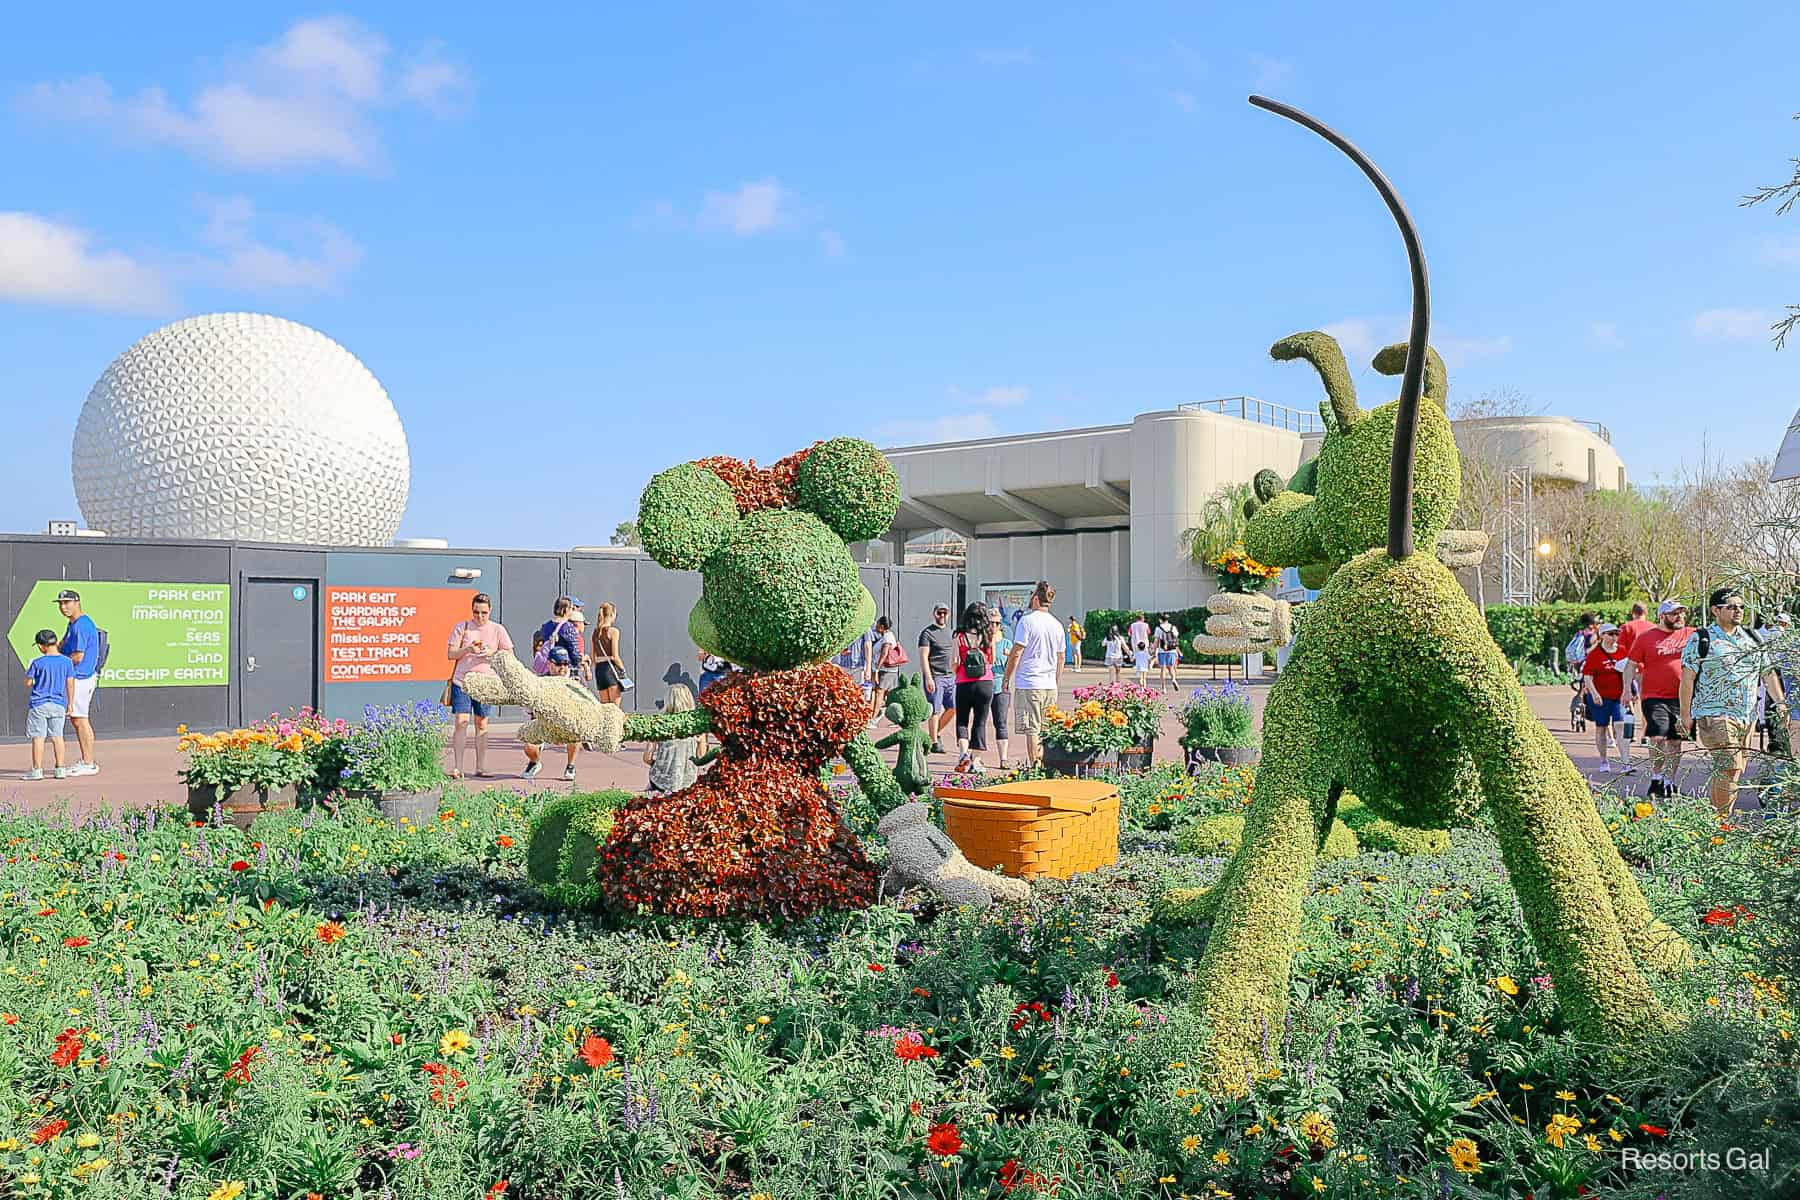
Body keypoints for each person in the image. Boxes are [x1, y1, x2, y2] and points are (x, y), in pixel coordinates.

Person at [1682, 588, 1787, 821]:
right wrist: (1685, 714)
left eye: (1741, 606)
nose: (1738, 610)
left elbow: (1768, 673)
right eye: (1731, 606)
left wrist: (1780, 702)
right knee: (1730, 766)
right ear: (1715, 610)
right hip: (1713, 714)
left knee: (1734, 770)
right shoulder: (1702, 638)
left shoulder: (1753, 637)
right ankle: (1722, 823)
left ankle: (1719, 818)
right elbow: (1687, 678)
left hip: (1746, 716)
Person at [1622, 599, 1694, 800]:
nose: (1679, 617)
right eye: (1674, 613)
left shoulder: (1691, 635)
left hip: (1682, 697)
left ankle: (1669, 782)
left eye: (1681, 613)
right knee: (1657, 737)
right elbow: (1630, 665)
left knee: (1675, 742)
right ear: (1662, 616)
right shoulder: (1646, 638)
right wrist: (1626, 690)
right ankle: (1656, 776)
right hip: (1654, 696)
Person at [446, 593, 513, 779]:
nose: (480, 616)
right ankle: (458, 767)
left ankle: (480, 766)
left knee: (481, 723)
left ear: (490, 610)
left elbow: (508, 654)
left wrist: (491, 652)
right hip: (463, 681)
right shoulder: (463, 627)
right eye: (476, 612)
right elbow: (450, 654)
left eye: (483, 612)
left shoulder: (498, 629)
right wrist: (468, 649)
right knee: (461, 722)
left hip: (485, 682)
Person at [1002, 581, 1066, 767]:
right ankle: (1045, 764)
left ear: (1036, 599)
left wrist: (1007, 678)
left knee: (1032, 728)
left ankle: (1035, 766)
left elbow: (1017, 652)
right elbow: (1060, 658)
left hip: (1030, 682)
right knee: (1046, 727)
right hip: (1049, 685)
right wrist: (1055, 680)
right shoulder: (1057, 625)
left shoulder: (1027, 621)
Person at [56, 589, 101, 776]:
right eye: (60, 603)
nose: (63, 606)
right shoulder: (73, 624)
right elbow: (63, 646)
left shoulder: (81, 625)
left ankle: (89, 763)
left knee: (80, 719)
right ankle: (86, 761)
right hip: (78, 677)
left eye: (67, 602)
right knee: (77, 719)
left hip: (81, 677)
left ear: (77, 603)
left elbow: (77, 657)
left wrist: (56, 662)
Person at [522, 647, 582, 782]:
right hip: (543, 723)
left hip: (567, 723)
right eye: (559, 664)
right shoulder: (540, 682)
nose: (563, 667)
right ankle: (534, 762)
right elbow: (530, 708)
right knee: (529, 747)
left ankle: (570, 766)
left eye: (566, 664)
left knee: (577, 731)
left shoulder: (575, 681)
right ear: (549, 663)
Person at [1580, 623, 1632, 775]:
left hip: (1619, 697)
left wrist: (1629, 690)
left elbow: (1629, 671)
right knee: (1601, 728)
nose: (1614, 637)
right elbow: (1588, 676)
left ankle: (1626, 762)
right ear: (1602, 635)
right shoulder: (1595, 654)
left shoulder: (1622, 651)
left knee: (1620, 726)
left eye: (1616, 634)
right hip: (1600, 698)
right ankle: (1604, 760)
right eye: (1611, 634)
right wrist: (1595, 694)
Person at [22, 629, 72, 781]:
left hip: (39, 704)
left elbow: (28, 683)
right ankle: (60, 769)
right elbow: (70, 682)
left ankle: (37, 770)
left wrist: (29, 674)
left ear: (41, 646)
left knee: (38, 738)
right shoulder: (67, 662)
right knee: (58, 737)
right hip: (58, 704)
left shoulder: (37, 662)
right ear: (55, 642)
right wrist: (70, 704)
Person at [952, 603, 995, 774]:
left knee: (962, 720)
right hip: (985, 683)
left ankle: (963, 755)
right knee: (980, 721)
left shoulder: (959, 637)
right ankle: (976, 761)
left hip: (963, 682)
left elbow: (954, 663)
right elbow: (991, 660)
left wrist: (959, 670)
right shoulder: (989, 636)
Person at [644, 684, 701, 794]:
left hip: (661, 780)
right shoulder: (697, 726)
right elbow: (701, 758)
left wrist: (660, 764)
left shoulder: (658, 723)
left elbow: (647, 757)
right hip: (687, 781)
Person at [918, 604, 957, 754]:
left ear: (948, 615)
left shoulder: (951, 633)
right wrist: (929, 678)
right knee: (935, 709)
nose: (942, 616)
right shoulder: (927, 633)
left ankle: (932, 734)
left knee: (953, 708)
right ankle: (934, 742)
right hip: (936, 676)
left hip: (950, 676)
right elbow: (923, 657)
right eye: (939, 613)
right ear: (934, 614)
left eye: (945, 613)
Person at [1617, 602, 1654, 743]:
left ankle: (1630, 731)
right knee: (1646, 700)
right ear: (1646, 613)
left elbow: (1620, 649)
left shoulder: (1626, 627)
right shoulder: (1653, 628)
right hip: (1647, 668)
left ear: (1633, 613)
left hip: (1629, 666)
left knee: (1628, 697)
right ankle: (1645, 734)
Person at [988, 607, 1015, 768]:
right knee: (980, 721)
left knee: (1001, 722)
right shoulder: (981, 642)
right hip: (983, 686)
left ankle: (1003, 758)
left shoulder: (1006, 643)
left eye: (997, 623)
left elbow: (1012, 665)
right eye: (991, 623)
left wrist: (1009, 656)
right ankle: (974, 756)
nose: (994, 626)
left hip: (1001, 686)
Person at [537, 597, 585, 679]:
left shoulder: (546, 626)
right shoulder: (568, 627)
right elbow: (573, 651)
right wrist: (579, 662)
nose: (572, 611)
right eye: (571, 608)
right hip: (564, 667)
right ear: (566, 609)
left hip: (551, 666)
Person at [591, 602, 626, 705]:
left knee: (605, 707)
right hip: (611, 669)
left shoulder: (595, 633)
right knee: (615, 708)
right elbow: (615, 656)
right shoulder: (614, 631)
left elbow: (593, 658)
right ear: (612, 614)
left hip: (599, 671)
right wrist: (622, 669)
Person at [870, 616, 902, 718]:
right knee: (882, 692)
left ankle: (874, 718)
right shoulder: (884, 636)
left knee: (880, 692)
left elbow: (884, 654)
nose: (876, 624)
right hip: (883, 669)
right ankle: (878, 714)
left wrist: (877, 669)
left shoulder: (887, 637)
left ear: (882, 626)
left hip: (887, 670)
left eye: (878, 623)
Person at [1154, 613, 1182, 692]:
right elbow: (1176, 639)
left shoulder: (1158, 628)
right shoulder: (1173, 627)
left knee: (1163, 668)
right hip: (1172, 650)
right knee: (1171, 667)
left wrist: (1153, 650)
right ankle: (1173, 679)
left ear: (1160, 620)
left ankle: (1163, 688)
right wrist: (1178, 650)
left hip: (1162, 650)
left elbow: (1156, 641)